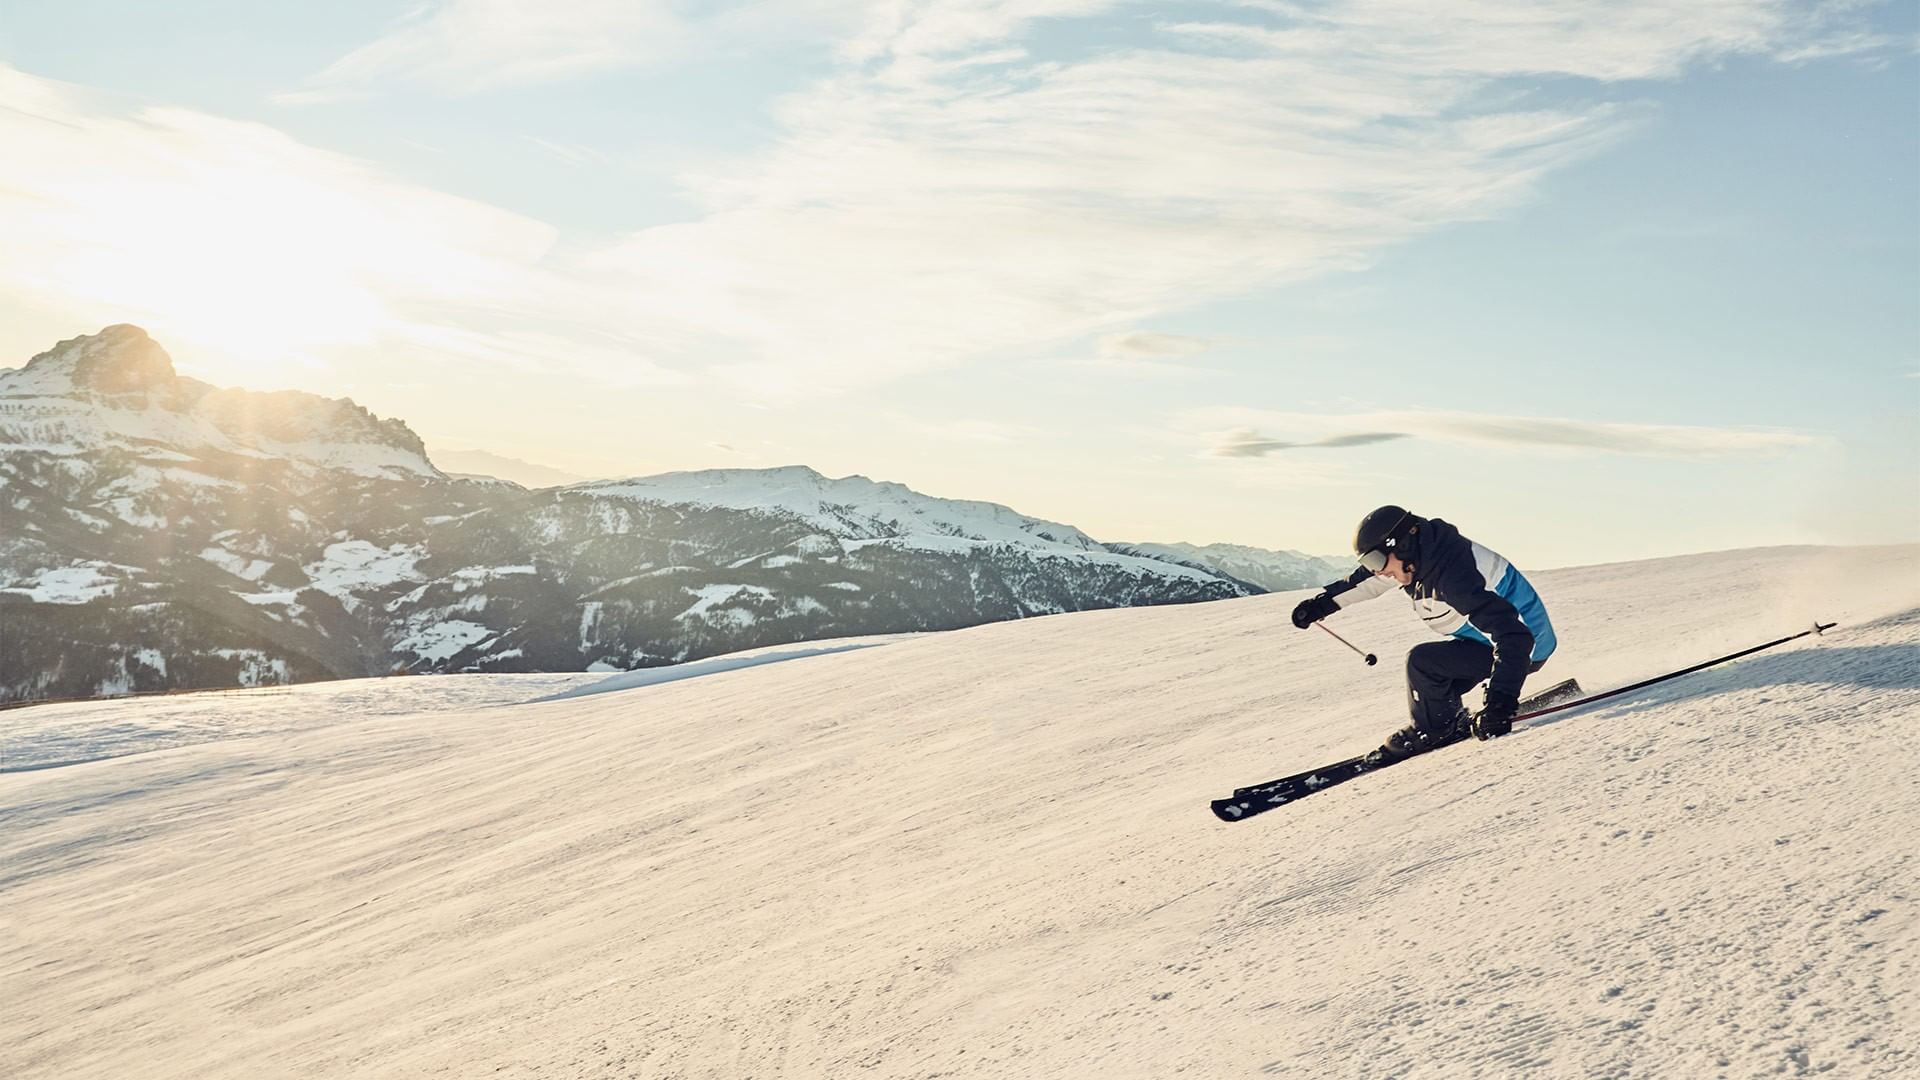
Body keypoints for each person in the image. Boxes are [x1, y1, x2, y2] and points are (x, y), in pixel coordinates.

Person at [1290, 506, 1557, 766]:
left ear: (1403, 544)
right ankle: (1445, 719)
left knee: (1423, 664)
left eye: (1376, 560)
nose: (1377, 570)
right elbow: (1367, 583)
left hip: (1524, 647)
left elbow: (1515, 636)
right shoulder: (1418, 558)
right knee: (1434, 677)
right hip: (1493, 641)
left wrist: (1501, 702)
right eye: (1368, 562)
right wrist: (1320, 605)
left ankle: (1434, 730)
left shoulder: (1452, 575)